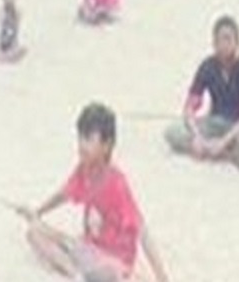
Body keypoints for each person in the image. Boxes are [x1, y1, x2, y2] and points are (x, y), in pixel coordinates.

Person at [21, 103, 170, 282]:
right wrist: (37, 211)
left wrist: (162, 277)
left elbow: (141, 228)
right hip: (88, 248)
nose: (81, 145)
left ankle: (86, 273)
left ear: (107, 145)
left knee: (110, 273)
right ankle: (76, 275)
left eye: (89, 139)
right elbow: (63, 194)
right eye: (80, 138)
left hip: (113, 260)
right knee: (34, 232)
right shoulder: (84, 169)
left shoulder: (117, 183)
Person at [164, 16, 239, 172]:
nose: (224, 45)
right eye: (220, 40)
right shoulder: (208, 66)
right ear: (214, 43)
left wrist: (225, 141)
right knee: (172, 132)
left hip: (237, 127)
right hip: (213, 122)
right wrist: (197, 137)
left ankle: (218, 151)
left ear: (238, 43)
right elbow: (189, 107)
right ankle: (221, 153)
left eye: (229, 39)